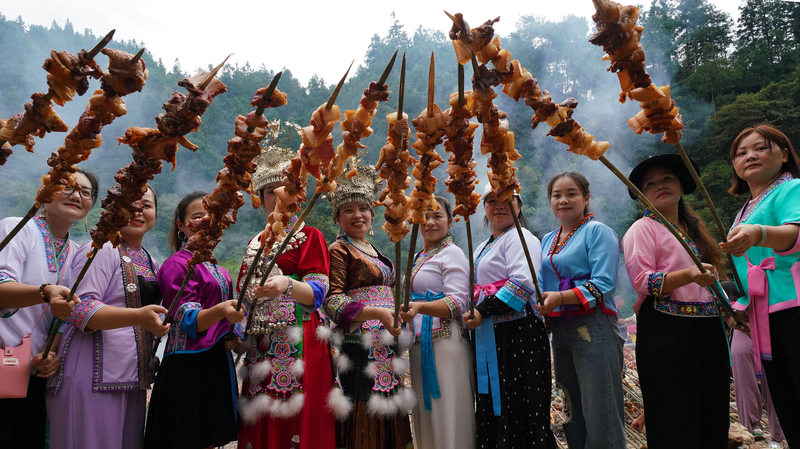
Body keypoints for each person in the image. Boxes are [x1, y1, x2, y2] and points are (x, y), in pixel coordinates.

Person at [46, 185, 170, 449]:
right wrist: (138, 316)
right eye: (130, 204)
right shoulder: (101, 248)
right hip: (91, 373)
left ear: (156, 213)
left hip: (132, 376)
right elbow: (81, 308)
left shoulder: (152, 262)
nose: (138, 211)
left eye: (146, 205)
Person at [621, 154, 731, 449]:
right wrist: (688, 275)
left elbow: (710, 283)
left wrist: (730, 312)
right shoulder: (642, 229)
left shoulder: (693, 229)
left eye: (667, 178)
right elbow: (643, 281)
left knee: (712, 412)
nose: (660, 185)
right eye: (650, 183)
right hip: (666, 330)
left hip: (708, 328)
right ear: (642, 195)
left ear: (682, 186)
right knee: (673, 416)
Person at [237, 139, 336, 449]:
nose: (277, 196)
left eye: (284, 188)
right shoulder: (254, 241)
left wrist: (287, 285)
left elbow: (318, 291)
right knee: (261, 409)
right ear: (261, 199)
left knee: (299, 414)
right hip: (259, 340)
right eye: (269, 191)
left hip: (299, 336)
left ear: (297, 194)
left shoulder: (309, 235)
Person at [0, 169, 98, 449]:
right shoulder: (18, 227)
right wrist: (45, 292)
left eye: (85, 192)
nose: (76, 195)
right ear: (45, 192)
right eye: (66, 186)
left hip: (34, 372)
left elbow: (66, 318)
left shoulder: (77, 252)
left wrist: (52, 354)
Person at [322, 162, 414, 449]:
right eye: (348, 210)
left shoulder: (375, 251)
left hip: (386, 340)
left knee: (389, 403)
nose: (357, 215)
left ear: (372, 215)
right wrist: (376, 313)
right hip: (359, 342)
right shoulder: (339, 250)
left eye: (363, 208)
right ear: (338, 218)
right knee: (363, 405)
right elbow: (332, 300)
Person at [719, 124, 800, 448]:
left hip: (794, 304)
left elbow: (796, 233)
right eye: (741, 152)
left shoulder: (791, 187)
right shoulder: (744, 211)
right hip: (764, 315)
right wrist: (740, 307)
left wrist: (759, 233)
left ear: (784, 154)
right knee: (786, 398)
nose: (750, 156)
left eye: (760, 148)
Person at [144, 191, 244, 449]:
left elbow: (227, 319)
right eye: (197, 217)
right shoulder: (176, 265)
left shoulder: (219, 269)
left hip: (216, 359)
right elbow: (189, 320)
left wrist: (235, 337)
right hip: (188, 362)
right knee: (188, 439)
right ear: (181, 225)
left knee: (210, 441)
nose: (205, 223)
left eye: (212, 217)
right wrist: (223, 311)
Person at [463, 183, 556, 448]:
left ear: (519, 205)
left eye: (507, 199)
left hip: (518, 334)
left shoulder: (522, 237)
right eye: (491, 200)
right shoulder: (482, 246)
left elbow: (522, 283)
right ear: (484, 208)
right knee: (494, 404)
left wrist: (482, 310)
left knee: (520, 406)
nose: (499, 205)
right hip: (489, 333)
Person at [537, 171, 626, 449]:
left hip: (593, 323)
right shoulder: (548, 239)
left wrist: (561, 297)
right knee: (571, 406)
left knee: (601, 410)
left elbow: (605, 282)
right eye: (557, 195)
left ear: (586, 198)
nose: (563, 200)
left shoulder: (597, 231)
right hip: (560, 327)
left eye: (571, 194)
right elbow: (541, 282)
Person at [398, 195, 475, 449]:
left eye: (437, 216)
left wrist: (420, 306)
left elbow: (457, 303)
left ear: (450, 221)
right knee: (426, 418)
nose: (430, 222)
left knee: (448, 416)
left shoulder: (452, 253)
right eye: (424, 217)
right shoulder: (419, 255)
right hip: (420, 345)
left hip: (446, 344)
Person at [723, 280, 785, 443]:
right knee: (773, 382)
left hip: (743, 331)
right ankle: (780, 430)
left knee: (746, 383)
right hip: (765, 328)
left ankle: (753, 426)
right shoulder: (768, 279)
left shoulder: (733, 286)